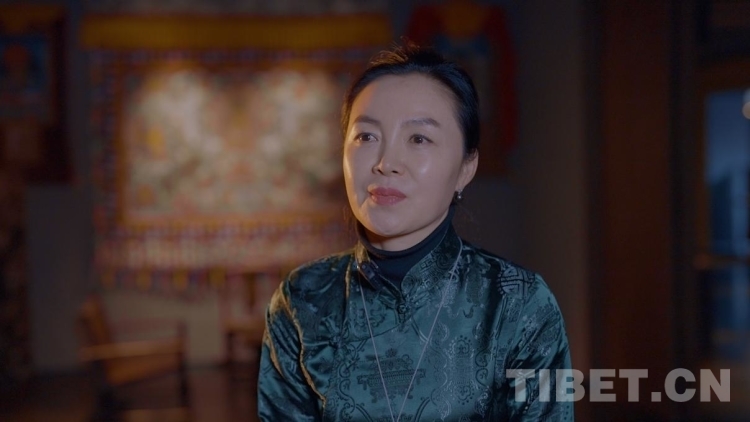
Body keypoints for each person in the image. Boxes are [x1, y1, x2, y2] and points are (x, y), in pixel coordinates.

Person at [258, 44, 573, 421]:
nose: (386, 163)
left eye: (418, 139)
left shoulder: (519, 303)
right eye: (366, 137)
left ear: (466, 167)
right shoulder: (302, 299)